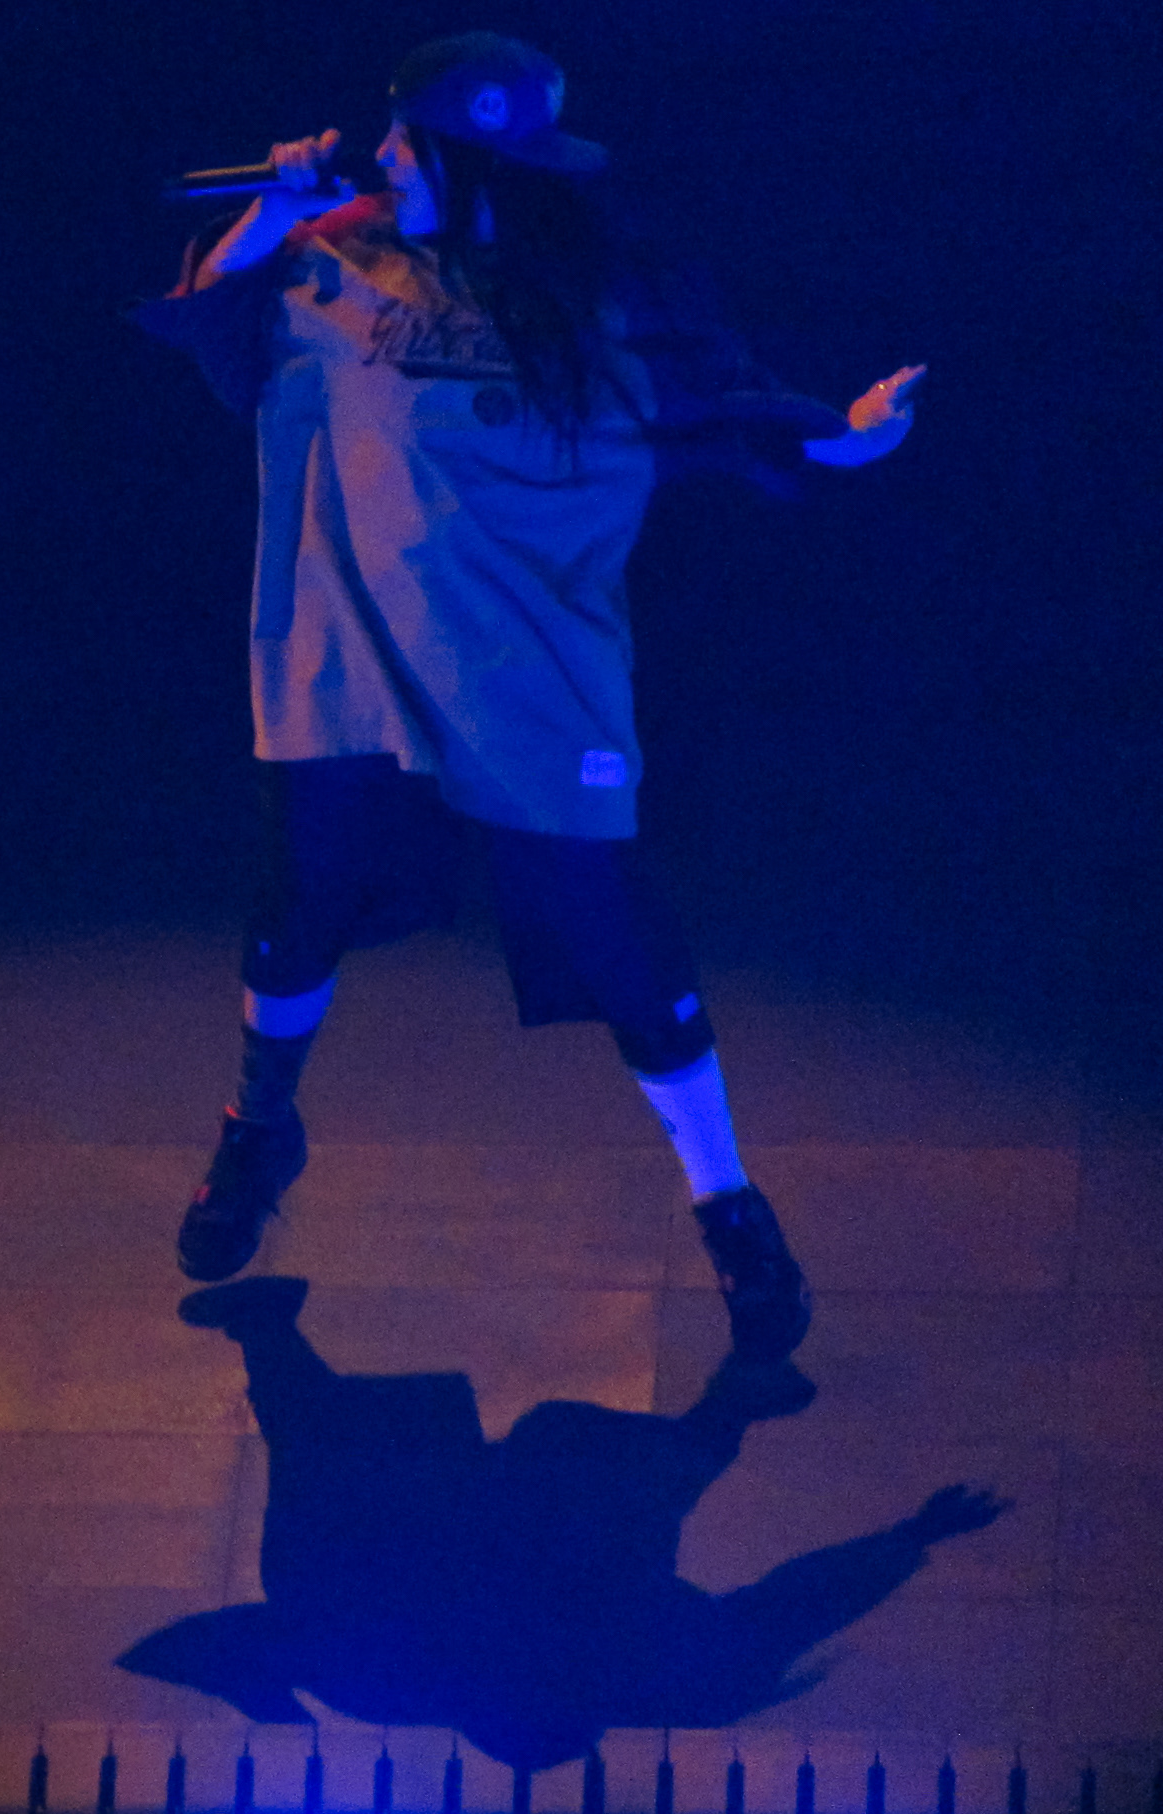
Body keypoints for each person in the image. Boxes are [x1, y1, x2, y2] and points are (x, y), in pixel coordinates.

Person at [135, 34, 925, 1361]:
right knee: (297, 909)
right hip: (354, 662)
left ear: (474, 160)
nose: (383, 154)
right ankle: (259, 1127)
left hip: (528, 680)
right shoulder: (337, 252)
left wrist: (847, 439)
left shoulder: (602, 302)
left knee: (623, 945)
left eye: (407, 140)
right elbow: (218, 317)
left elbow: (733, 413)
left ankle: (728, 1203)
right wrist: (270, 209)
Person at [118, 1275, 1006, 1771]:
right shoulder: (434, 1677)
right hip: (527, 1516)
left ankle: (265, 1327)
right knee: (327, 1486)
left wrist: (910, 1540)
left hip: (479, 1522)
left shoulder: (413, 1676)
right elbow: (780, 1615)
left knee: (325, 1495)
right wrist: (907, 1541)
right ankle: (264, 1327)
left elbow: (780, 1616)